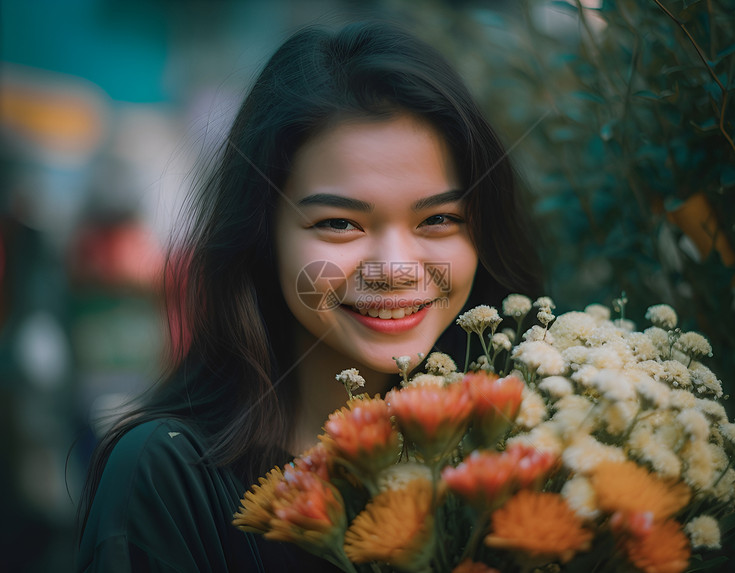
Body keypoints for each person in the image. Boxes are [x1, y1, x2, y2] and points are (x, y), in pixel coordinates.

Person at [75, 20, 543, 572]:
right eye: (340, 224)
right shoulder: (167, 476)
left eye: (438, 218)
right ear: (262, 236)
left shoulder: (526, 460)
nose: (393, 268)